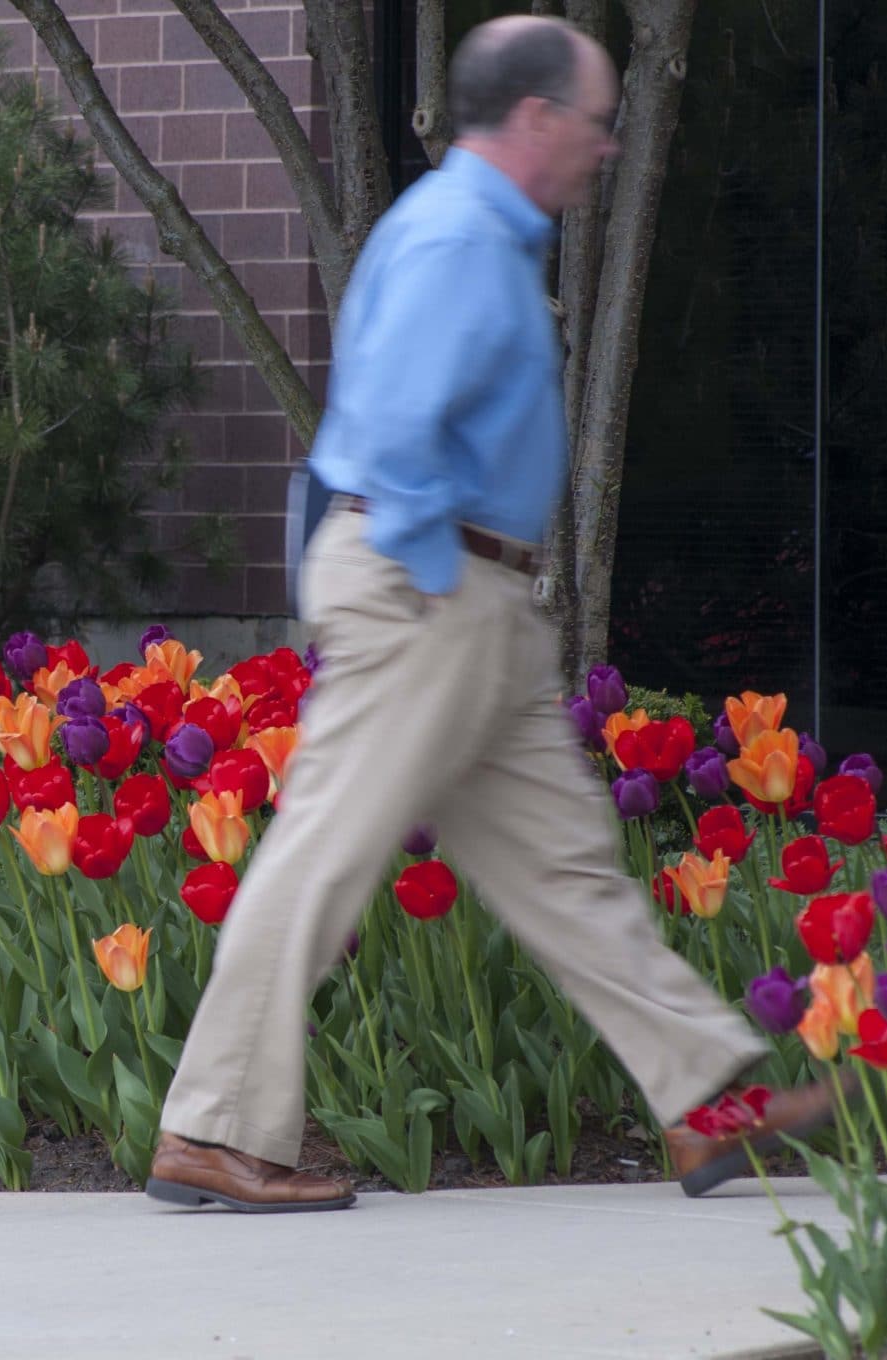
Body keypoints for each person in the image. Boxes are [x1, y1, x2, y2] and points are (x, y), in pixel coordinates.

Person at [147, 15, 832, 1213]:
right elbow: (401, 424)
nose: (607, 146)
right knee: (325, 853)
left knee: (563, 868)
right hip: (432, 584)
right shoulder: (459, 239)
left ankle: (706, 1106)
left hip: (468, 594)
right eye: (595, 120)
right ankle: (211, 1129)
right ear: (533, 119)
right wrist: (428, 581)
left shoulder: (472, 233)